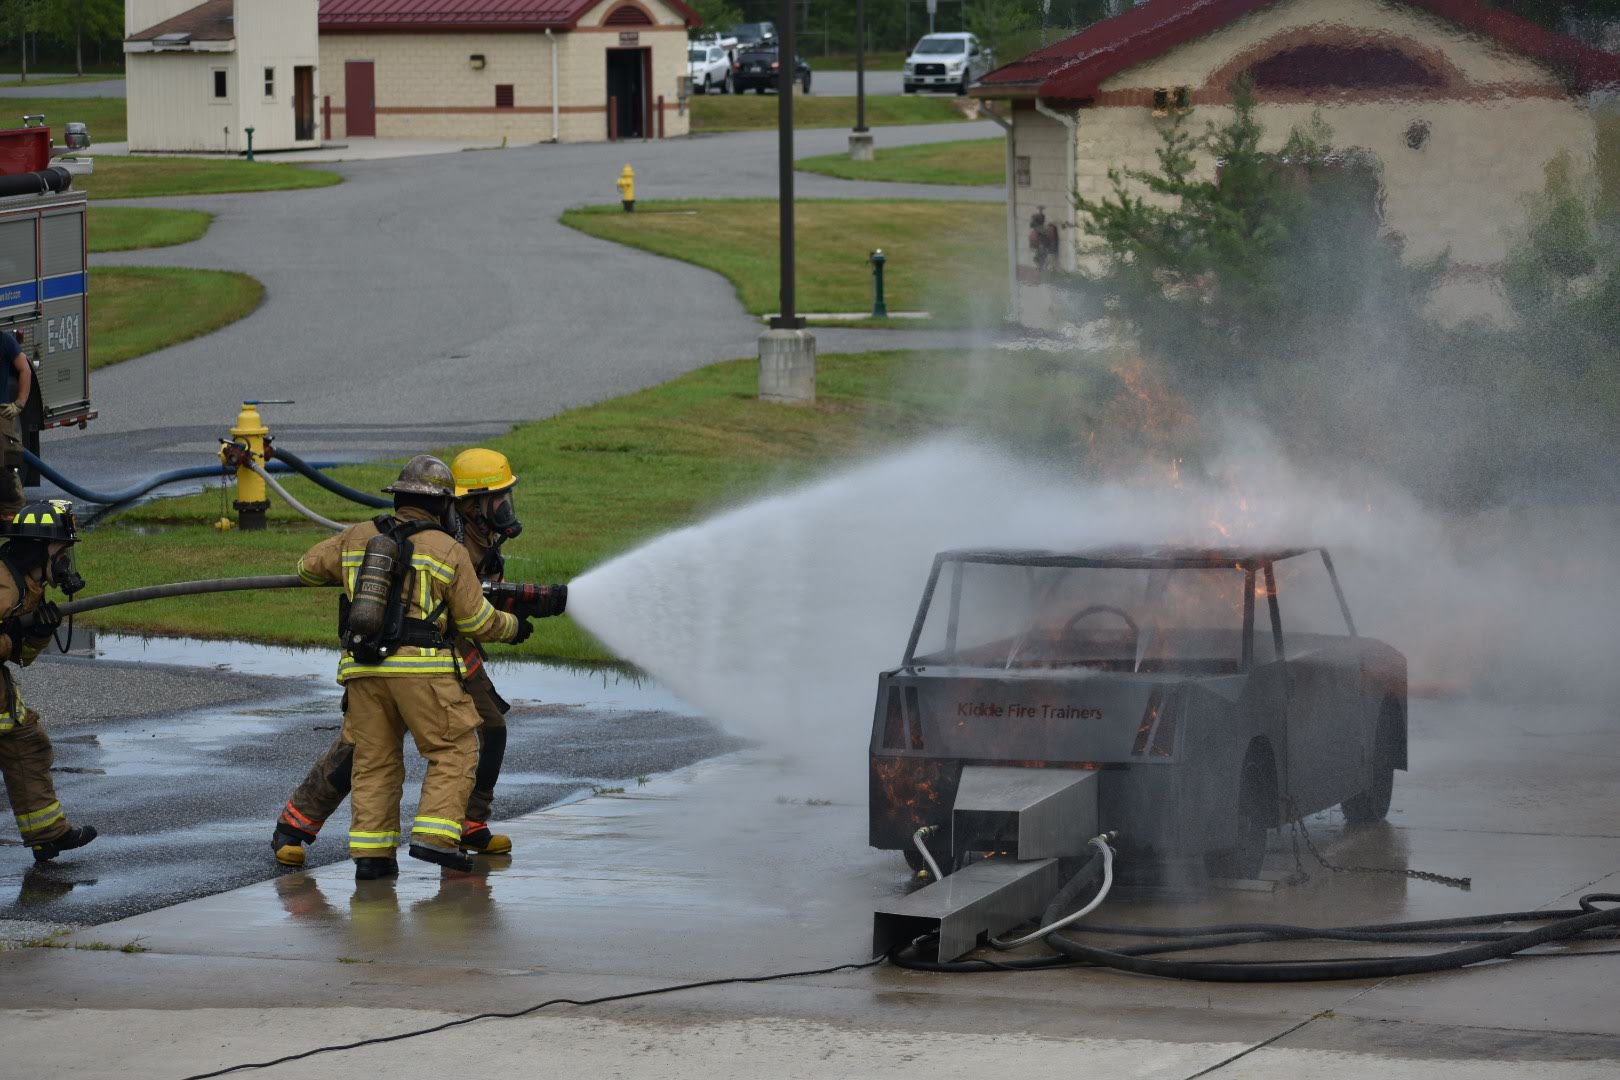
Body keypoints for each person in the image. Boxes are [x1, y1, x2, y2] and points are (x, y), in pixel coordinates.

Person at [271, 448, 539, 866]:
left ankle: (375, 857)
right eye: (499, 499)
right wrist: (515, 627)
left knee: (377, 759)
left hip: (366, 666)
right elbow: (475, 620)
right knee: (447, 748)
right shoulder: (448, 548)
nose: (506, 509)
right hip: (426, 666)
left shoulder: (360, 536)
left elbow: (307, 567)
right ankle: (426, 836)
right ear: (457, 504)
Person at [0, 499, 96, 862]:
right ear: (41, 549)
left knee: (26, 742)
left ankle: (48, 834)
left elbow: (17, 656)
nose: (66, 561)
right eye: (62, 551)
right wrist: (12, 636)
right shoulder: (4, 585)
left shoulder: (27, 582)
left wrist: (38, 633)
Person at [0, 331, 33, 522]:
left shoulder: (4, 340)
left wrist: (19, 403)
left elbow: (24, 369)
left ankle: (13, 523)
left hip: (1, 416)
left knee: (5, 468)